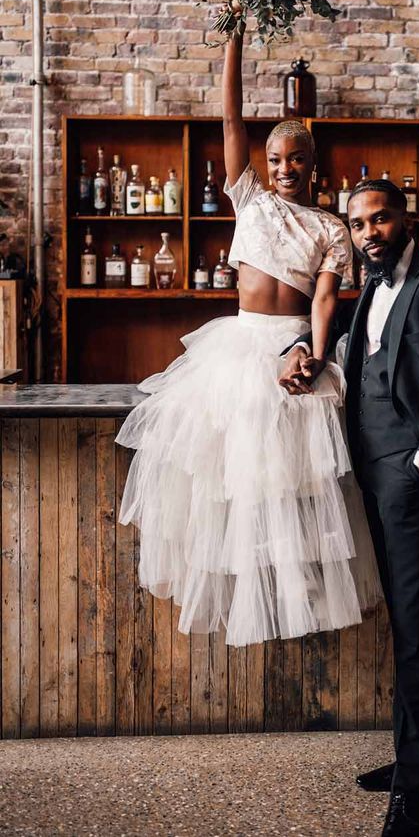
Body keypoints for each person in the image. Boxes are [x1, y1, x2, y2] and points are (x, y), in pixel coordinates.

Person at [115, 36, 381, 648]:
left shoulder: (332, 226)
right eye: (277, 158)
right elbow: (230, 115)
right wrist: (233, 35)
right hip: (237, 349)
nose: (286, 168)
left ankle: (298, 591)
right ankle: (248, 588)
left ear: (314, 164)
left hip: (293, 348)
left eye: (298, 159)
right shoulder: (251, 202)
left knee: (295, 484)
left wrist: (313, 356)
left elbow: (324, 300)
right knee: (232, 482)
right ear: (265, 164)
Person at [279, 179, 419, 837]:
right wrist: (295, 351)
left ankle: (412, 787)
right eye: (357, 223)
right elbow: (346, 345)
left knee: (413, 625)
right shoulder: (369, 285)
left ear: (406, 219)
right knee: (412, 617)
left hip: (414, 477)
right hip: (370, 474)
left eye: (380, 219)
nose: (369, 232)